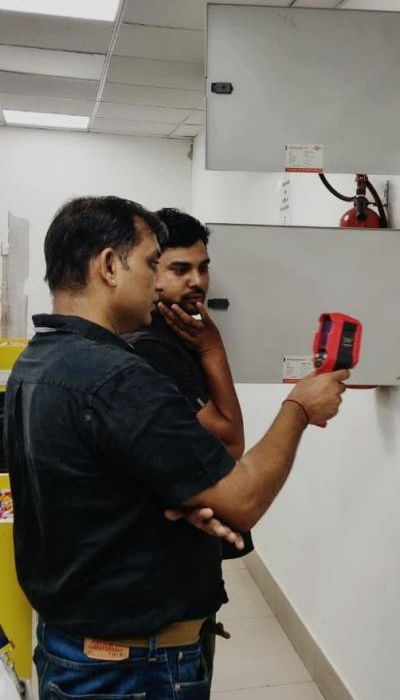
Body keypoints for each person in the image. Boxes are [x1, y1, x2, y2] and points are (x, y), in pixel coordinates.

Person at [4, 196, 348, 700]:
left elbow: (87, 482)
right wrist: (298, 407)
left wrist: (169, 501)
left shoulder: (39, 362)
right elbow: (244, 499)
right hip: (132, 669)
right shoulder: (118, 379)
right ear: (108, 266)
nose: (160, 280)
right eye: (150, 263)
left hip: (73, 648)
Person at [124, 208, 250, 675]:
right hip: (164, 581)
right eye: (180, 269)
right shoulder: (152, 344)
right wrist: (214, 348)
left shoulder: (180, 334)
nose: (197, 281)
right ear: (149, 271)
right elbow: (229, 443)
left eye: (203, 266)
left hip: (183, 566)